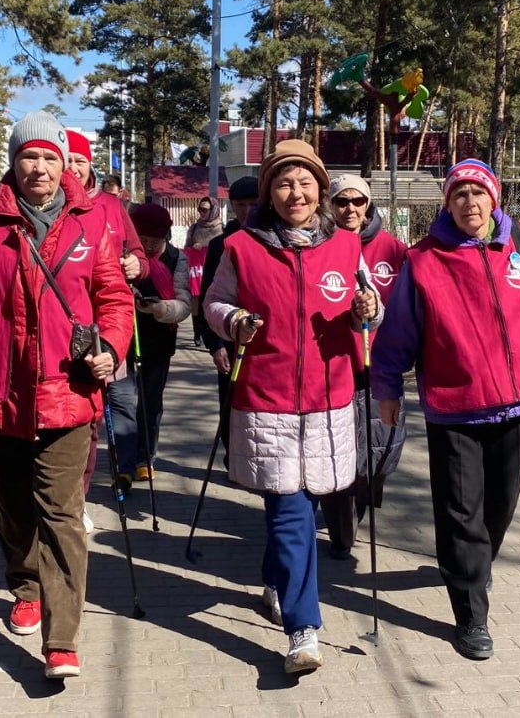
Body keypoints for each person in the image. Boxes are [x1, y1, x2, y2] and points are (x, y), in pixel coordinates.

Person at [0, 111, 133, 680]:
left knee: (62, 513)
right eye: (29, 156)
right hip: (0, 389)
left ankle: (61, 638)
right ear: (13, 162)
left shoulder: (92, 223)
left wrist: (112, 350)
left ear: (63, 163)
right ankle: (23, 584)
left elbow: (114, 298)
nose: (40, 167)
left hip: (69, 390)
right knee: (14, 507)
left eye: (50, 156)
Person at [372, 158, 520, 662]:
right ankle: (470, 614)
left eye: (478, 193)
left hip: (519, 401)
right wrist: (387, 388)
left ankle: (474, 565)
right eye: (459, 195)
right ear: (448, 203)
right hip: (454, 407)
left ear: (494, 198)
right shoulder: (423, 260)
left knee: (500, 505)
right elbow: (398, 330)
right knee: (460, 514)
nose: (470, 203)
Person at [204, 140, 381, 675]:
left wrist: (366, 312)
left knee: (299, 511)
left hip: (330, 398)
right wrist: (235, 322)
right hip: (267, 397)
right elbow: (213, 303)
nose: (295, 192)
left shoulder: (347, 247)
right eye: (283, 183)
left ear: (320, 190)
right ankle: (303, 628)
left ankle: (275, 581)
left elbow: (368, 310)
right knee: (290, 509)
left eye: (305, 182)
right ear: (269, 193)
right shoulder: (241, 246)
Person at [319, 174, 408, 560]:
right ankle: (341, 530)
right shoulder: (320, 244)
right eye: (341, 202)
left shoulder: (393, 249)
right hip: (336, 362)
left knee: (378, 450)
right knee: (339, 452)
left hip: (381, 364)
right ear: (329, 205)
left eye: (358, 201)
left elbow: (410, 306)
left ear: (368, 205)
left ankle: (361, 504)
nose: (350, 209)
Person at [64, 131, 147, 526]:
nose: (73, 169)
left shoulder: (112, 206)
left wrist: (137, 266)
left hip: (112, 325)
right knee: (82, 419)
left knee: (117, 406)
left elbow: (140, 254)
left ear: (89, 164)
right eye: (68, 161)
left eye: (79, 161)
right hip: (69, 328)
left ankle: (123, 471)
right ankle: (74, 498)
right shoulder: (51, 206)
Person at [110, 202, 191, 487]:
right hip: (121, 336)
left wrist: (159, 309)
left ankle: (146, 456)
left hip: (158, 337)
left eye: (154, 241)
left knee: (151, 401)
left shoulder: (175, 258)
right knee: (122, 401)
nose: (147, 247)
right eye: (141, 241)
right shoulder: (121, 256)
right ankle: (124, 462)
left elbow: (184, 302)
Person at [195, 175, 258, 464]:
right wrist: (215, 344)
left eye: (253, 204)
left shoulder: (272, 238)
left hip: (262, 339)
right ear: (232, 206)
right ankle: (233, 456)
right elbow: (210, 296)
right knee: (229, 401)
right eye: (240, 204)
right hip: (229, 336)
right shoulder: (222, 244)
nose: (247, 211)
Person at [185, 195, 223, 346]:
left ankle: (212, 334)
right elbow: (187, 248)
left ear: (213, 210)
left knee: (212, 303)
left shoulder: (221, 228)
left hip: (215, 272)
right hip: (197, 272)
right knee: (196, 303)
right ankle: (197, 332)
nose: (202, 213)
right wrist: (192, 248)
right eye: (200, 209)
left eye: (205, 210)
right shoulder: (195, 228)